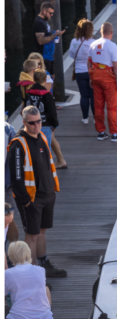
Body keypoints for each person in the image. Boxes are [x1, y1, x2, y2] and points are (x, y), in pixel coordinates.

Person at [8, 107, 65, 279]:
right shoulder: (18, 144)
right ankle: (32, 274)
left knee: (41, 232)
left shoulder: (42, 138)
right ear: (24, 123)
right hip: (31, 198)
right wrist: (25, 200)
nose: (36, 125)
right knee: (31, 235)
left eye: (39, 121)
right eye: (32, 123)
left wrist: (52, 190)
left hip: (47, 194)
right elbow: (16, 175)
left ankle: (43, 263)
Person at [3, 241, 54, 319]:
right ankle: (44, 314)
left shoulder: (8, 274)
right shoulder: (40, 270)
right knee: (46, 288)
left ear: (11, 255)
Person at [87, 21, 117, 141]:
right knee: (111, 107)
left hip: (96, 77)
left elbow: (89, 62)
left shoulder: (93, 44)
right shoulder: (112, 46)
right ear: (111, 33)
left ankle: (101, 132)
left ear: (101, 32)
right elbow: (116, 66)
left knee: (98, 106)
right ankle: (114, 133)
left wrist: (91, 78)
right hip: (108, 79)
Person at [65, 19, 96, 126]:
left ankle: (85, 118)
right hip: (91, 71)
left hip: (79, 71)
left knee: (84, 95)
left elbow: (72, 55)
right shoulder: (93, 42)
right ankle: (96, 118)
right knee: (93, 96)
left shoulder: (74, 41)